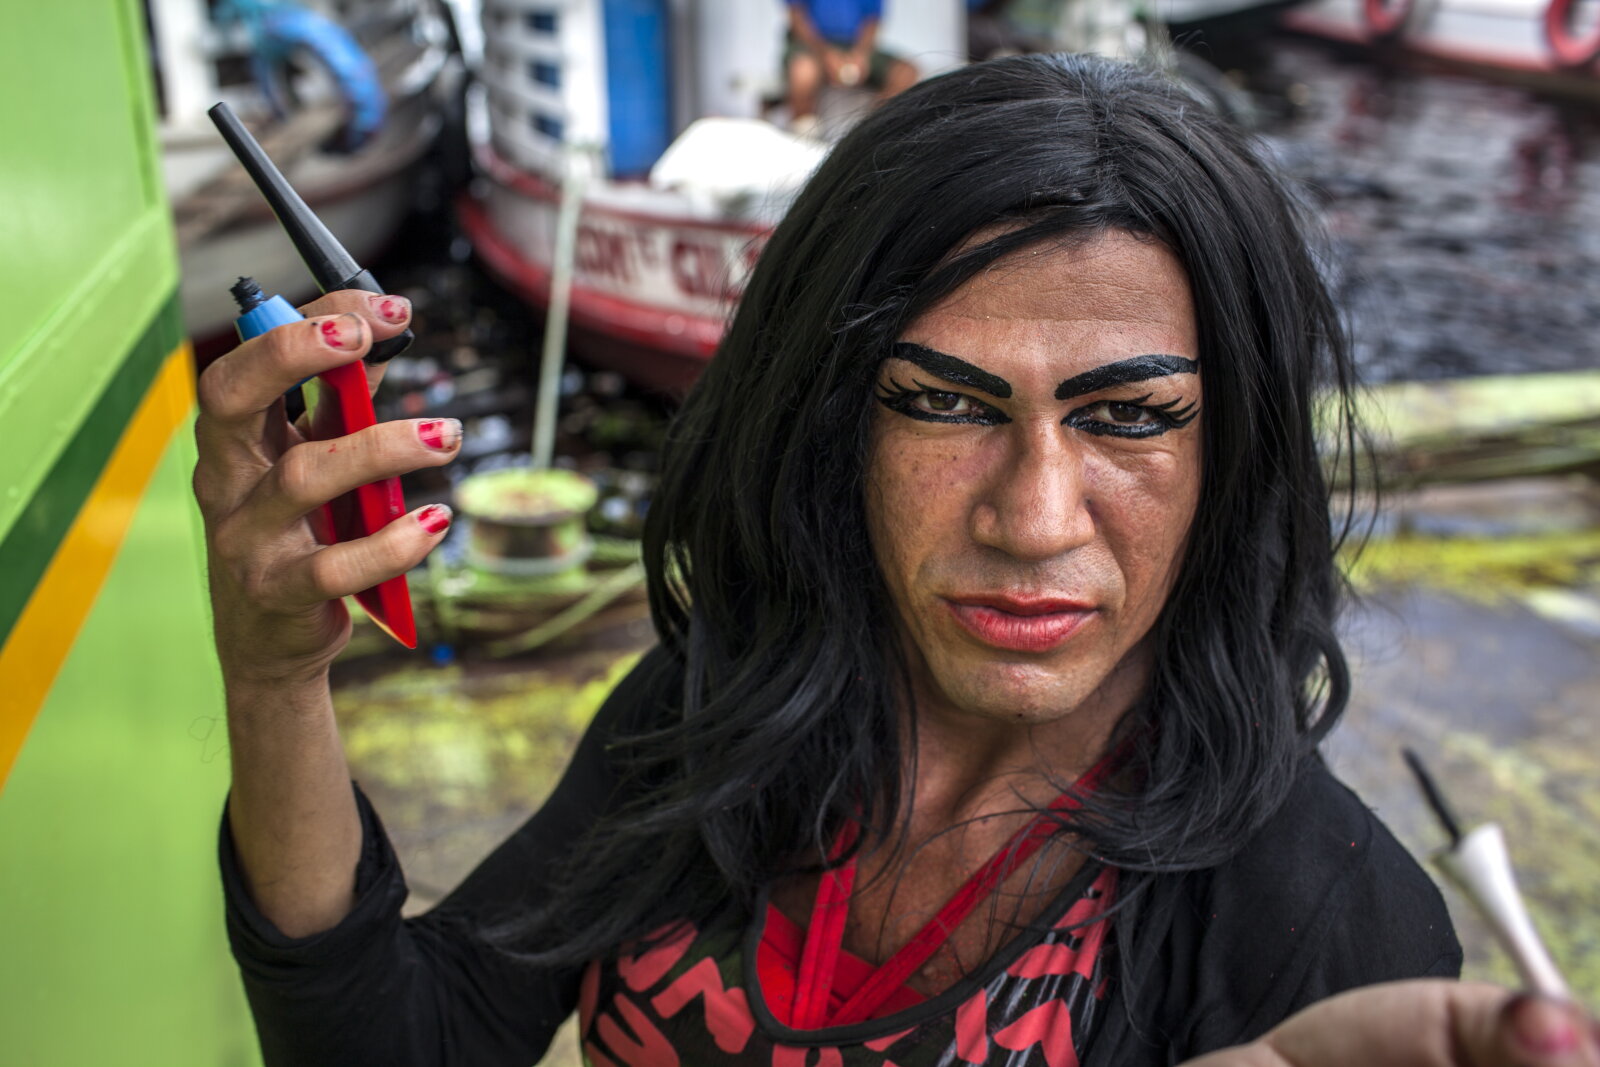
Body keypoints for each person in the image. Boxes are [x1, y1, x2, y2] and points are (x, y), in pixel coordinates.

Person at [201, 55, 1469, 1066]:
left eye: (1127, 417)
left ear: (1231, 454)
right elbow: (407, 1035)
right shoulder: (718, 713)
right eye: (946, 403)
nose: (1033, 520)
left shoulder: (1329, 923)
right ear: (832, 422)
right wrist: (272, 681)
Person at [783, 0, 918, 133]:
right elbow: (797, 17)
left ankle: (876, 130)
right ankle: (804, 134)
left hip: (857, 47)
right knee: (803, 71)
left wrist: (861, 55)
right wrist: (825, 54)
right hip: (810, 46)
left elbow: (872, 21)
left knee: (905, 73)